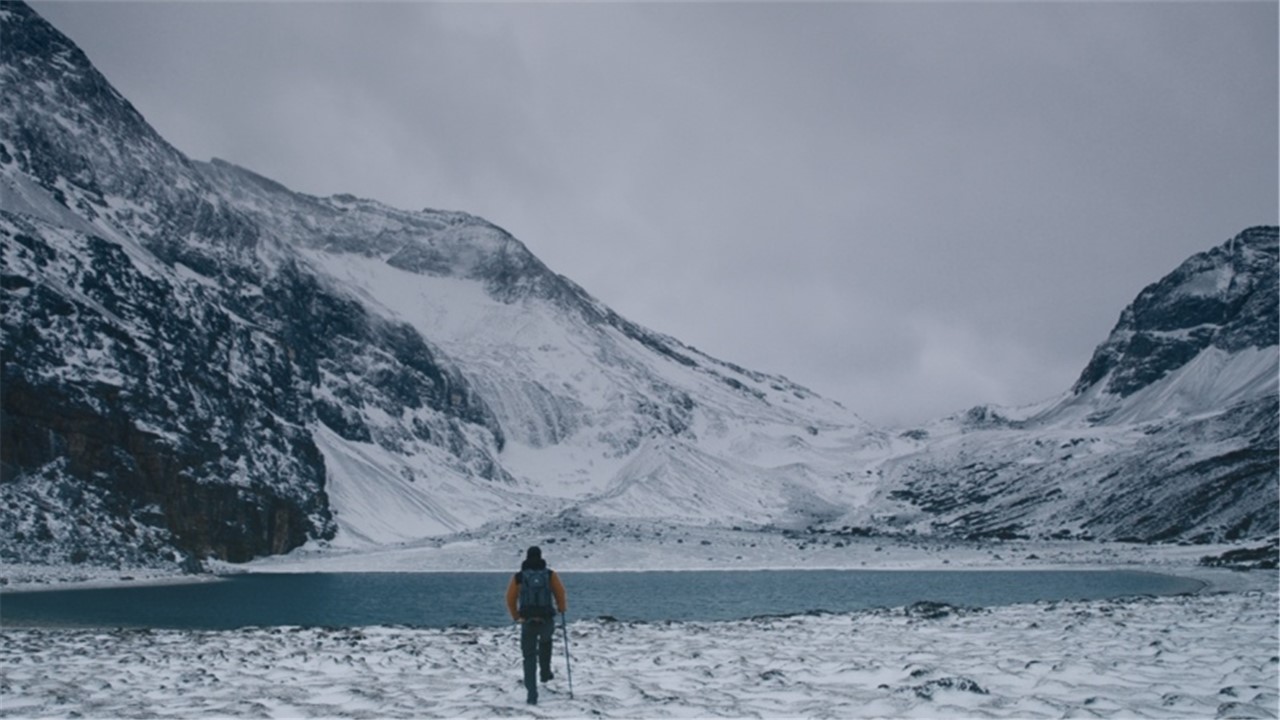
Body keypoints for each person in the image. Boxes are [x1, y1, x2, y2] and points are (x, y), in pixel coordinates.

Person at [505, 546, 568, 705]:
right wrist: (561, 608)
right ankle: (545, 673)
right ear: (541, 557)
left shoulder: (519, 577)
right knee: (546, 642)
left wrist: (516, 616)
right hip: (546, 619)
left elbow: (510, 598)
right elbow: (560, 592)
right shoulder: (549, 574)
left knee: (529, 657)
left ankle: (532, 694)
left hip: (527, 621)